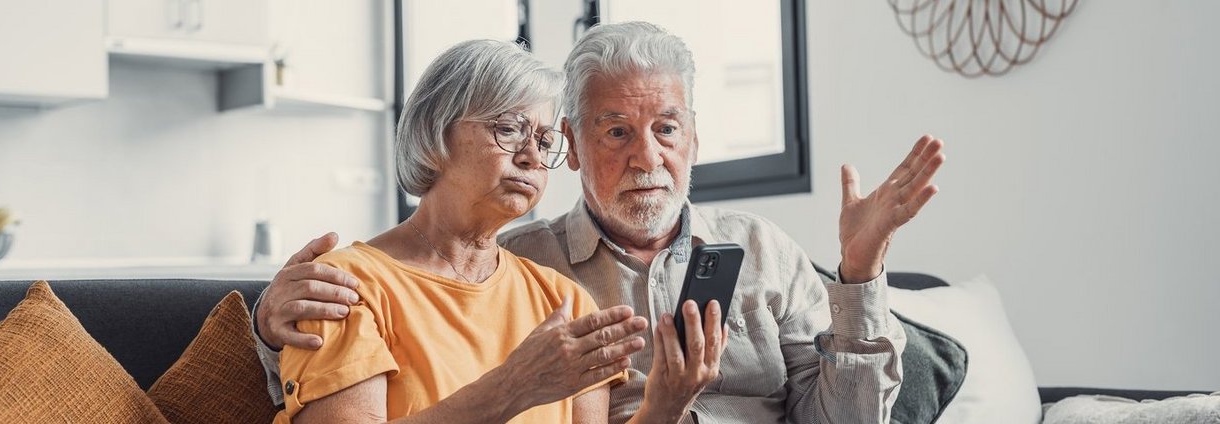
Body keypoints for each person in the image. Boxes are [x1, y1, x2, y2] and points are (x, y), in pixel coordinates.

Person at [257, 22, 945, 423]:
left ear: (694, 141)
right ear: (579, 147)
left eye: (666, 129)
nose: (647, 156)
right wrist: (264, 320)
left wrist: (859, 272)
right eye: (616, 132)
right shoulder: (367, 279)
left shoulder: (554, 295)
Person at [266, 39, 693, 424]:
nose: (532, 157)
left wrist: (664, 405)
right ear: (435, 134)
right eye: (508, 129)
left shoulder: (564, 301)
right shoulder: (342, 286)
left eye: (544, 142)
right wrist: (512, 387)